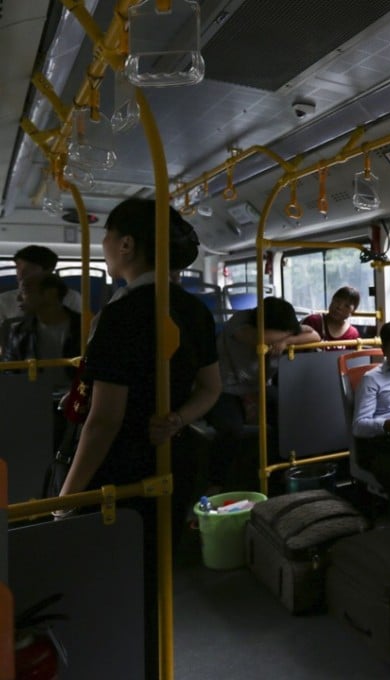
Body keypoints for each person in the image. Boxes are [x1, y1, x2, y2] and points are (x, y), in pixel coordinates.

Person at [57, 198, 221, 678]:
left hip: (120, 469)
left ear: (126, 245)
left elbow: (105, 419)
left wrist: (66, 497)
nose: (105, 247)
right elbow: (209, 390)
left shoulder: (121, 313)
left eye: (108, 238)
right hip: (173, 459)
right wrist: (176, 418)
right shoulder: (195, 309)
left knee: (106, 585)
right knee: (153, 580)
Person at [205, 296, 320, 488]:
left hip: (260, 386)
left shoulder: (281, 327)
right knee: (230, 430)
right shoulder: (240, 321)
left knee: (290, 417)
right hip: (226, 387)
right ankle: (217, 482)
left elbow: (314, 336)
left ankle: (282, 470)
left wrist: (286, 341)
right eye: (283, 330)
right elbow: (257, 338)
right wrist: (291, 333)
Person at [351, 319, 390, 487]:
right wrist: (389, 425)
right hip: (386, 441)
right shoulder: (372, 380)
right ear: (384, 351)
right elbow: (359, 426)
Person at [0, 273, 81, 390]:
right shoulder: (19, 332)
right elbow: (9, 374)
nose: (18, 298)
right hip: (33, 397)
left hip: (76, 397)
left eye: (25, 291)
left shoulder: (85, 328)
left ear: (50, 294)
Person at [0, 245, 82, 326]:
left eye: (29, 268)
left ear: (48, 271)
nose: (21, 274)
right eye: (18, 268)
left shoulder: (71, 297)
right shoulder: (3, 300)